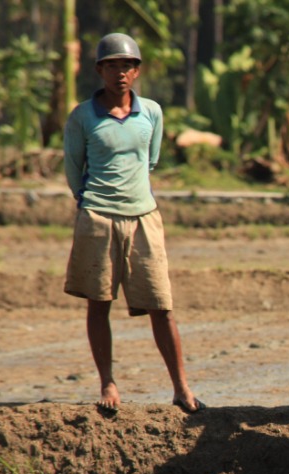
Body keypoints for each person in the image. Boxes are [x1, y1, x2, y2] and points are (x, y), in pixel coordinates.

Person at [63, 33, 202, 416]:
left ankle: (181, 387)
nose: (119, 72)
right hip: (97, 218)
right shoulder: (82, 116)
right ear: (99, 70)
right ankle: (107, 382)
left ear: (137, 71)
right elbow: (74, 170)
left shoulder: (152, 113)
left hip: (144, 217)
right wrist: (93, 204)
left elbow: (150, 160)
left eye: (126, 65)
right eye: (112, 65)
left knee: (162, 306)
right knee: (99, 303)